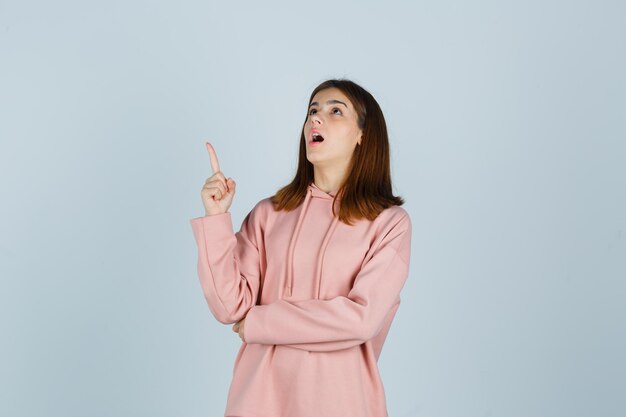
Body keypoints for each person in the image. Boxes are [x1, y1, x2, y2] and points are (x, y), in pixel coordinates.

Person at [190, 78, 412, 417]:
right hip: (259, 401)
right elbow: (229, 307)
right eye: (312, 111)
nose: (316, 119)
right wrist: (217, 219)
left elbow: (360, 319)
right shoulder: (269, 213)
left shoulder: (389, 223)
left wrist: (261, 323)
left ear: (362, 136)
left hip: (342, 403)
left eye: (335, 111)